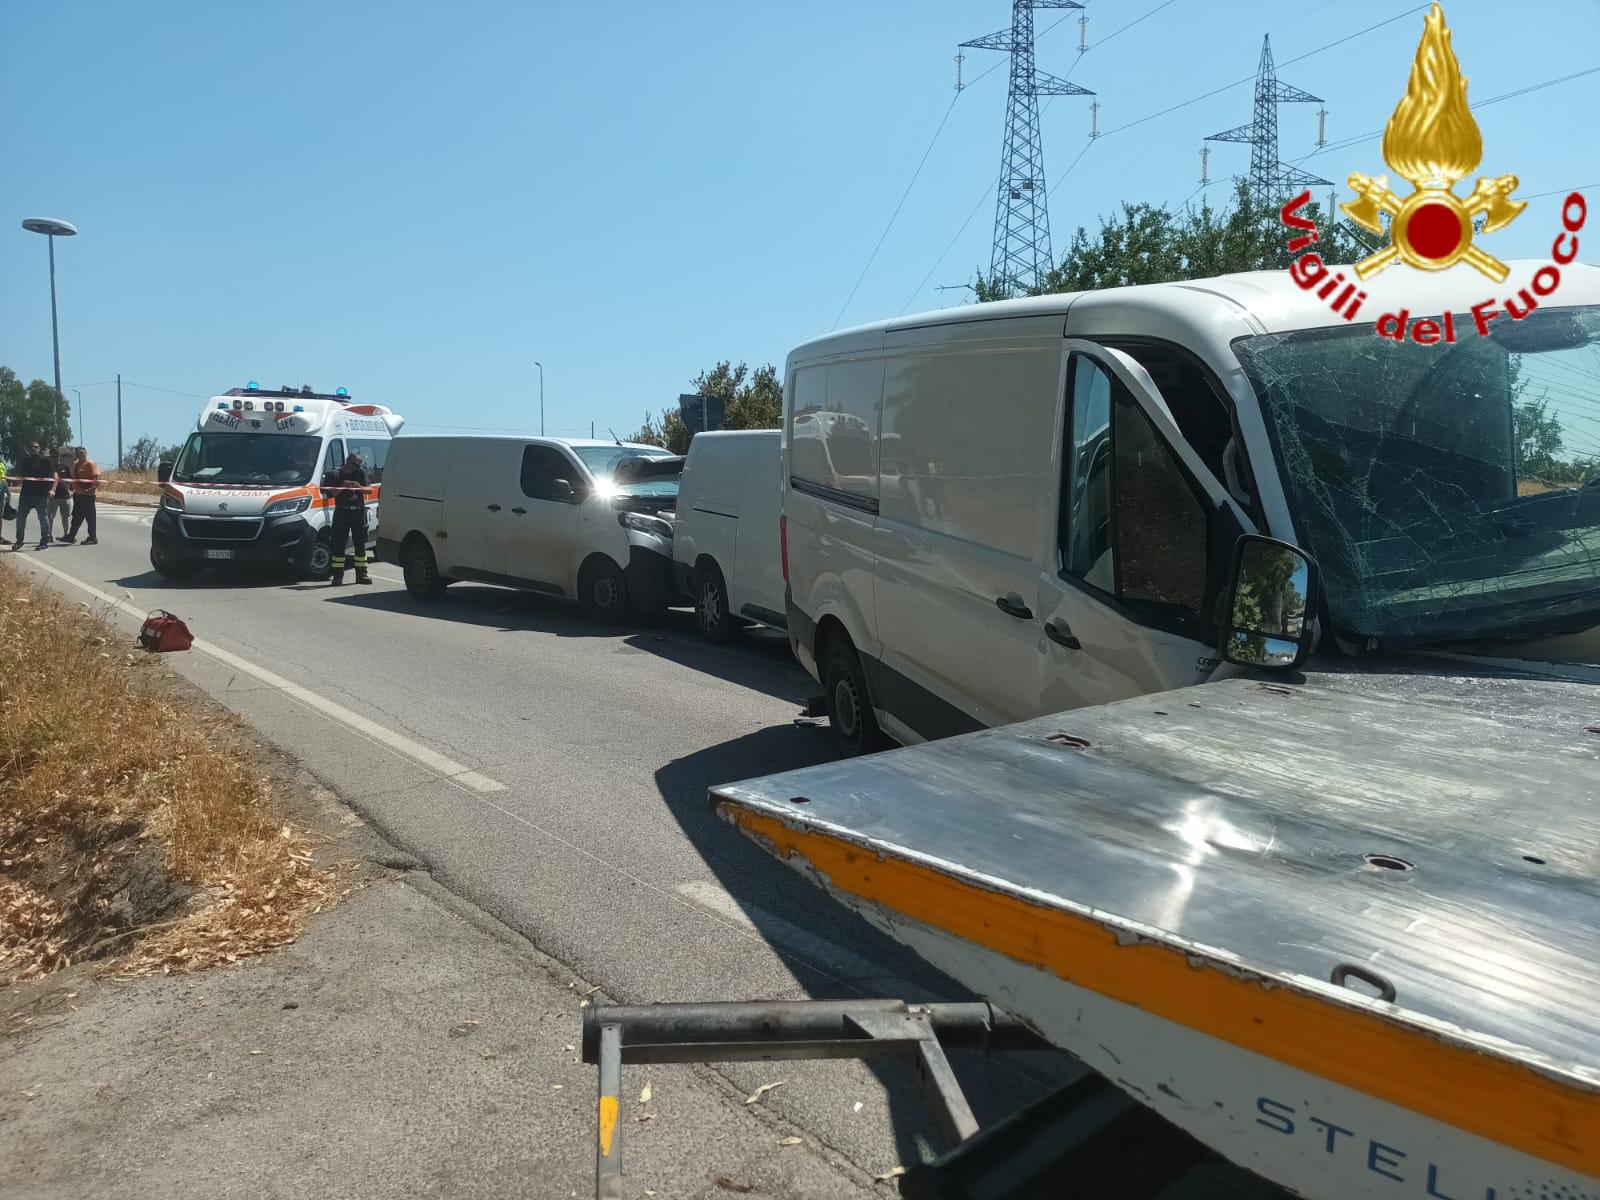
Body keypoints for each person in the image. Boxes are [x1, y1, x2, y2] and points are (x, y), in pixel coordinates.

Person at [323, 451, 372, 585]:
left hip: (357, 512)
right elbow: (331, 494)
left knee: (360, 545)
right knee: (338, 545)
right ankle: (337, 576)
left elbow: (369, 490)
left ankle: (362, 575)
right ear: (347, 461)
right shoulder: (335, 474)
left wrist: (358, 486)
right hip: (342, 512)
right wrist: (343, 486)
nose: (355, 467)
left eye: (358, 465)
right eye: (353, 464)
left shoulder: (360, 473)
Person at [12, 441, 58, 550]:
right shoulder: (25, 461)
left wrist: (53, 490)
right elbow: (21, 476)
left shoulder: (45, 460)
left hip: (41, 495)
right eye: (31, 447)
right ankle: (19, 540)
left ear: (39, 448)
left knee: (43, 518)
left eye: (35, 447)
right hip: (26, 495)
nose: (33, 448)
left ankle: (44, 541)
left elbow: (55, 476)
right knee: (20, 518)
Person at [63, 446, 101, 545]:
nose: (81, 455)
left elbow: (96, 479)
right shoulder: (76, 465)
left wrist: (91, 489)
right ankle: (71, 536)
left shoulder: (90, 464)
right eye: (79, 453)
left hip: (88, 496)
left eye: (83, 453)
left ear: (86, 453)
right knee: (76, 516)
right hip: (79, 495)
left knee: (90, 517)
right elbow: (74, 480)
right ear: (76, 455)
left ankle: (92, 537)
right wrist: (77, 490)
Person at [48, 449, 73, 539]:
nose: (54, 458)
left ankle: (66, 535)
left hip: (65, 497)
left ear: (59, 457)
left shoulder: (65, 468)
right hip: (52, 497)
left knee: (65, 517)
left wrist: (71, 492)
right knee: (50, 517)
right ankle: (48, 535)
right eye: (52, 456)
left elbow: (71, 481)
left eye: (56, 456)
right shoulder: (48, 468)